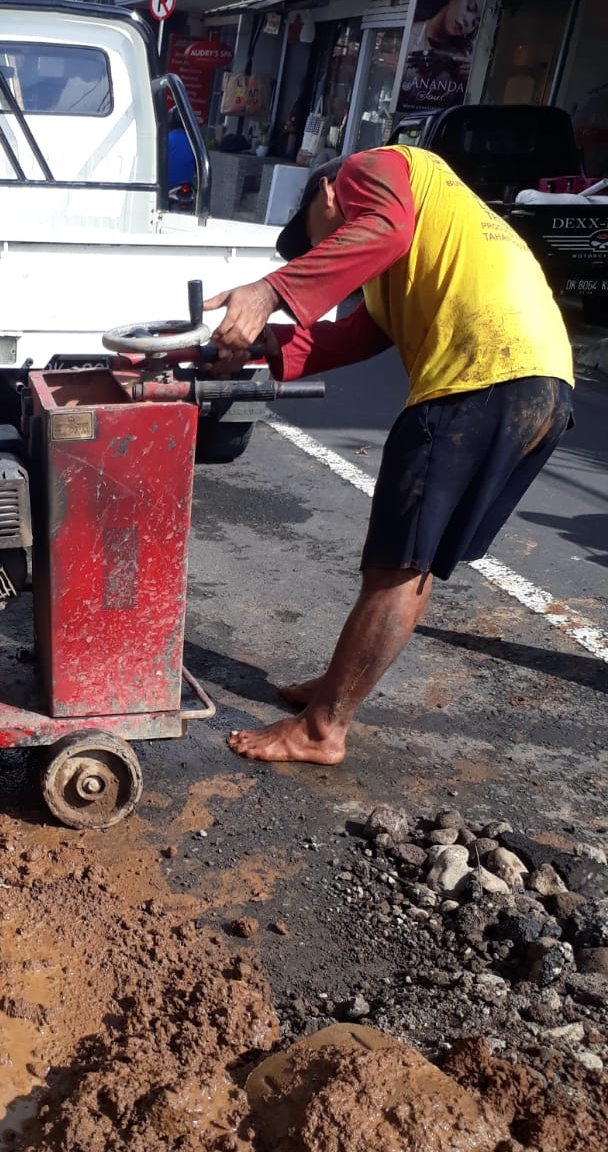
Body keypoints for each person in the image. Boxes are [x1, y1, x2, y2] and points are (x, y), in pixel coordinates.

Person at [201, 144, 575, 766]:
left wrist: (271, 291)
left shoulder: (372, 168)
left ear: (328, 195)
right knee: (414, 562)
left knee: (396, 567)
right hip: (542, 383)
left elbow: (381, 230)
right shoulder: (427, 232)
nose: (326, 258)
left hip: (478, 379)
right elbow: (356, 335)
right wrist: (263, 349)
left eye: (318, 242)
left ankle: (322, 729)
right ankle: (336, 695)